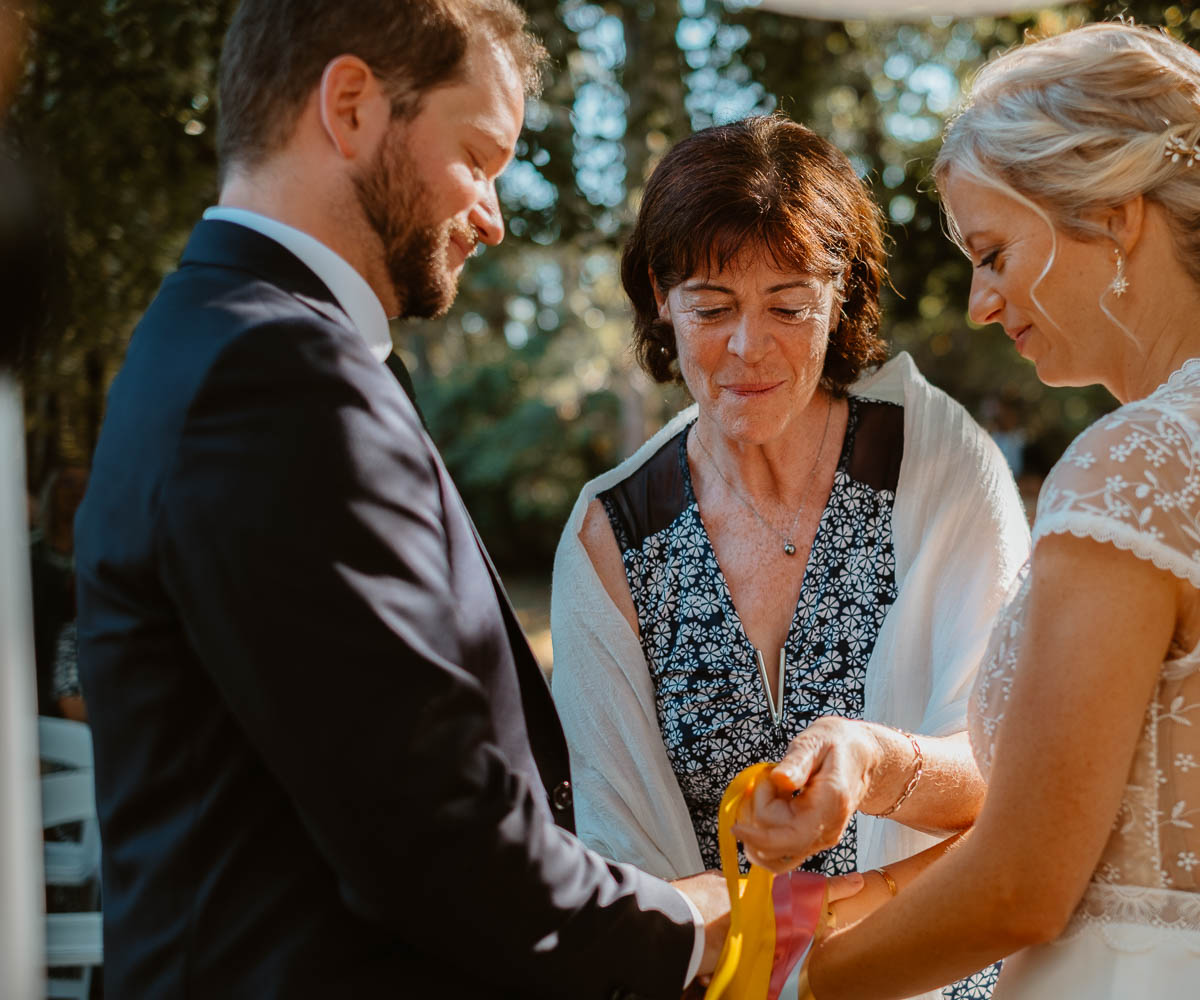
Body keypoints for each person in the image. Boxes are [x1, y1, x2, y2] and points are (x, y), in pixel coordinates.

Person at [736, 22, 1200, 1000]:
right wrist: (879, 758)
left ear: (1112, 216)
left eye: (994, 250)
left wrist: (796, 983)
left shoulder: (1148, 460)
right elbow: (1119, 789)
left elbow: (1024, 884)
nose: (980, 300)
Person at [72, 3, 735, 997]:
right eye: (478, 156)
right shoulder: (274, 373)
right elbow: (423, 822)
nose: (493, 214)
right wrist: (686, 923)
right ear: (350, 107)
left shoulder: (216, 338)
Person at [549, 115, 1030, 1000]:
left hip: (932, 977)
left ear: (841, 293)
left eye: (788, 305)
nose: (747, 348)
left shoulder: (934, 466)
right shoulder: (614, 534)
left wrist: (874, 763)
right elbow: (615, 850)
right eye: (712, 307)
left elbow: (1015, 767)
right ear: (661, 297)